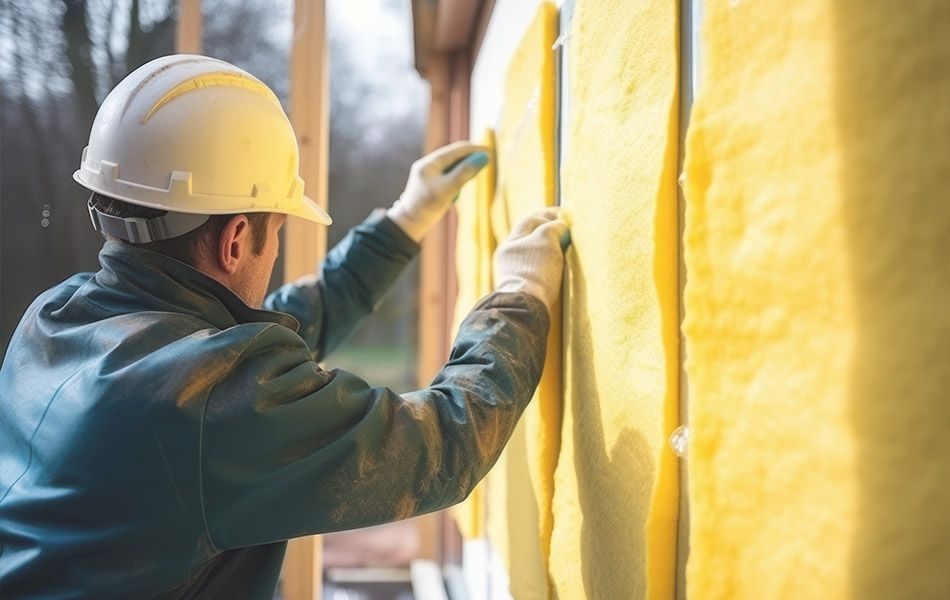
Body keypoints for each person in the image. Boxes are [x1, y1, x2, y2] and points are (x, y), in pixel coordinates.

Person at [0, 55, 568, 597]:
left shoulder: (56, 319)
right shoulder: (198, 401)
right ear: (236, 239)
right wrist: (520, 296)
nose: (273, 252)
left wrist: (403, 222)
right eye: (276, 233)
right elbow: (443, 444)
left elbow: (257, 343)